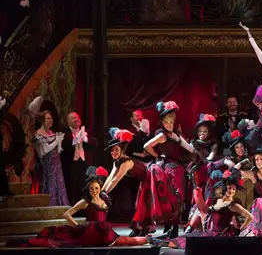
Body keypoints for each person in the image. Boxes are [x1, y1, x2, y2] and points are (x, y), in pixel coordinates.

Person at [5, 166, 149, 247]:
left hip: (104, 230)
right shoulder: (85, 201)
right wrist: (78, 226)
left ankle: (152, 240)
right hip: (91, 231)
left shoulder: (104, 198)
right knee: (123, 242)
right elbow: (67, 214)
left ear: (100, 188)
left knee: (126, 241)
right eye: (91, 189)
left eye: (96, 188)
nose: (94, 191)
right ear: (88, 189)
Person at [102, 127, 180, 237]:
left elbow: (116, 180)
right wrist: (102, 192)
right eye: (112, 150)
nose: (114, 152)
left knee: (163, 202)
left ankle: (173, 227)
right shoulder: (117, 162)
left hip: (153, 174)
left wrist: (104, 193)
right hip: (146, 178)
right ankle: (142, 228)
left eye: (116, 149)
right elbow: (110, 177)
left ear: (122, 149)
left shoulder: (126, 162)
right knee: (143, 204)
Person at [144, 101, 198, 235]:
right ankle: (169, 225)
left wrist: (200, 155)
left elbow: (190, 148)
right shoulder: (162, 135)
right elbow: (146, 146)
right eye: (166, 122)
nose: (169, 125)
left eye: (171, 122)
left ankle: (173, 226)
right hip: (168, 168)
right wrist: (158, 156)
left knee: (178, 197)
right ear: (162, 122)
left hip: (178, 168)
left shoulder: (175, 134)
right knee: (170, 197)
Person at [32, 110, 68, 206]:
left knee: (58, 185)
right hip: (47, 165)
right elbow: (45, 151)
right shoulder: (38, 134)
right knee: (49, 185)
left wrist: (60, 142)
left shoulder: (52, 133)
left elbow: (59, 150)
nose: (51, 120)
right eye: (48, 118)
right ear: (42, 120)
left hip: (56, 164)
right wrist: (57, 140)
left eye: (51, 118)